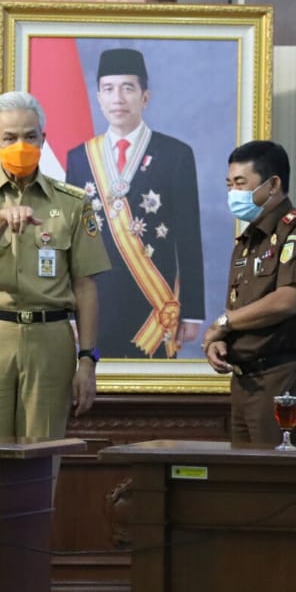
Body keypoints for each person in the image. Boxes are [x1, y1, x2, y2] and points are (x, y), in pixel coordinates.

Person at [0, 91, 110, 439]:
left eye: (30, 136)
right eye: (10, 138)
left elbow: (85, 286)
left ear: (43, 139)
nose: (21, 146)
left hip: (50, 339)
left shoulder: (73, 203)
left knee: (41, 451)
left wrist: (87, 360)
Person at [64, 48, 204, 359]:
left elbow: (189, 237)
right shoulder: (80, 158)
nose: (118, 99)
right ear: (98, 97)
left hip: (155, 305)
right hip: (97, 302)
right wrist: (71, 310)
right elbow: (73, 241)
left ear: (145, 97)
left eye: (128, 88)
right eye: (108, 89)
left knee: (154, 388)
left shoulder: (175, 154)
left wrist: (193, 311)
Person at [200, 140, 296, 447]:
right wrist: (220, 341)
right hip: (245, 381)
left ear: (273, 184)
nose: (233, 193)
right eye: (229, 185)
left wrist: (223, 324)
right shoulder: (247, 242)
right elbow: (240, 310)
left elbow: (286, 301)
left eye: (240, 183)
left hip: (285, 379)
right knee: (242, 475)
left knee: (278, 473)